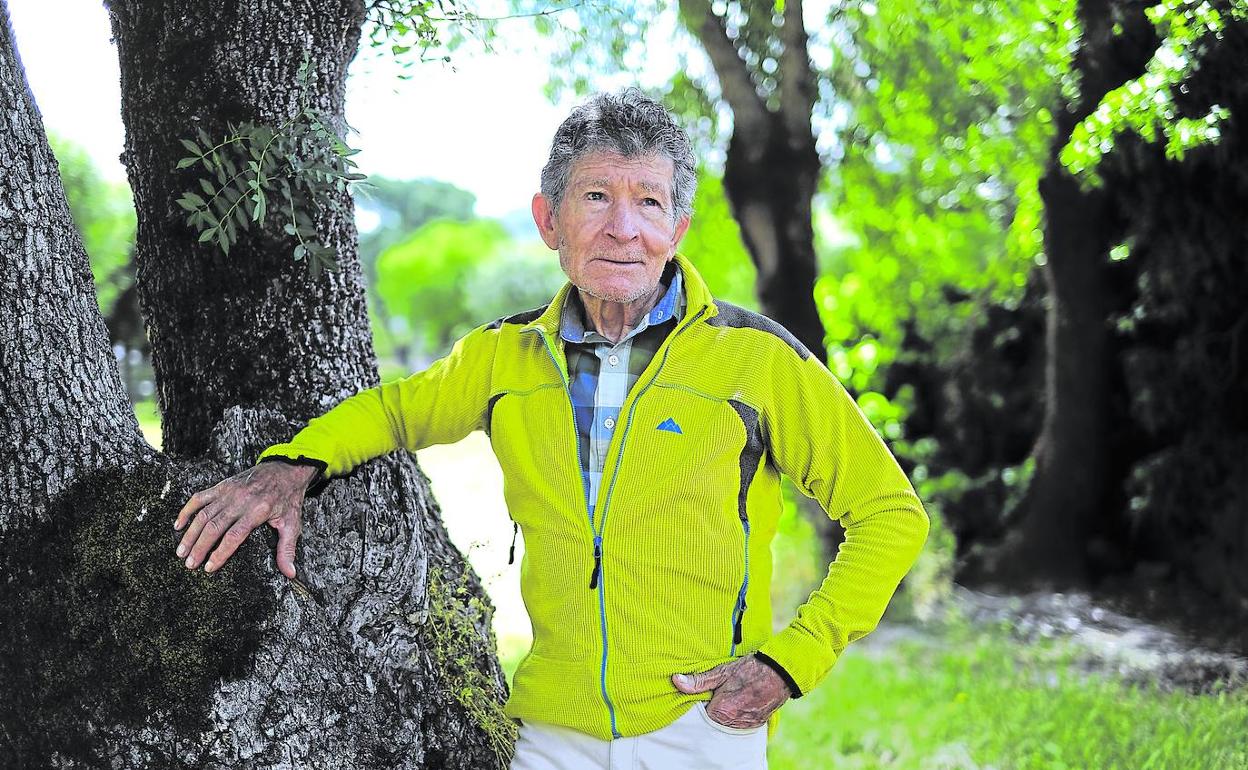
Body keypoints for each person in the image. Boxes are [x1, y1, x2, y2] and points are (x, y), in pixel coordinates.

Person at [174, 88, 930, 769]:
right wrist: (290, 467)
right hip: (551, 733)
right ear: (549, 220)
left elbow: (890, 515)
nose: (623, 229)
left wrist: (790, 663)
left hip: (702, 726)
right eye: (596, 196)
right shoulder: (505, 355)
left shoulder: (756, 359)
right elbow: (397, 409)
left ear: (679, 227)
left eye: (650, 203)